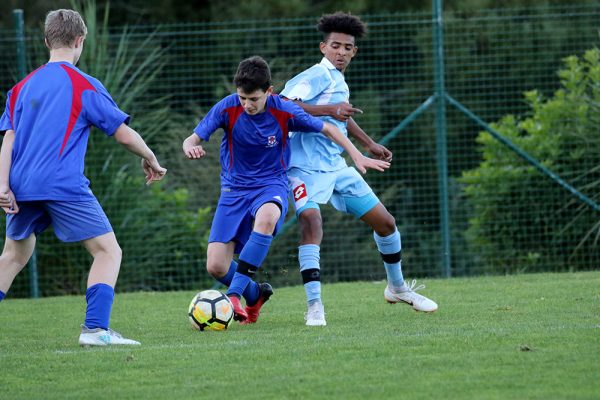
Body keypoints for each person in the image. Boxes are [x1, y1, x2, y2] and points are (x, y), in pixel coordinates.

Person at [0, 9, 167, 345]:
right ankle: (95, 330)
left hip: (19, 185)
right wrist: (150, 156)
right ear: (80, 41)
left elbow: (9, 140)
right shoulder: (84, 84)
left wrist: (2, 184)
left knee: (13, 257)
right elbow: (122, 133)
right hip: (61, 184)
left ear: (47, 41)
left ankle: (96, 330)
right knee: (108, 251)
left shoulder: (20, 88)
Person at [183, 56, 388, 324]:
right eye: (242, 97)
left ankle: (233, 296)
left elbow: (327, 128)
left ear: (269, 92)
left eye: (253, 99)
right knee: (216, 266)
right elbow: (192, 138)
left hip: (271, 184)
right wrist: (190, 146)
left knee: (267, 218)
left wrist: (356, 154)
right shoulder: (227, 107)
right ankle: (255, 295)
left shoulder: (283, 110)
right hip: (233, 190)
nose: (247, 105)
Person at [280, 12, 438, 326]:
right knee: (311, 223)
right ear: (323, 47)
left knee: (386, 223)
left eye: (346, 47)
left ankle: (397, 288)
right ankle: (314, 307)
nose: (340, 51)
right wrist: (329, 109)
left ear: (354, 51)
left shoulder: (338, 81)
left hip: (335, 167)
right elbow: (281, 105)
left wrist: (367, 143)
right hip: (301, 168)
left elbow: (342, 115)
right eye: (335, 45)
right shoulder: (314, 75)